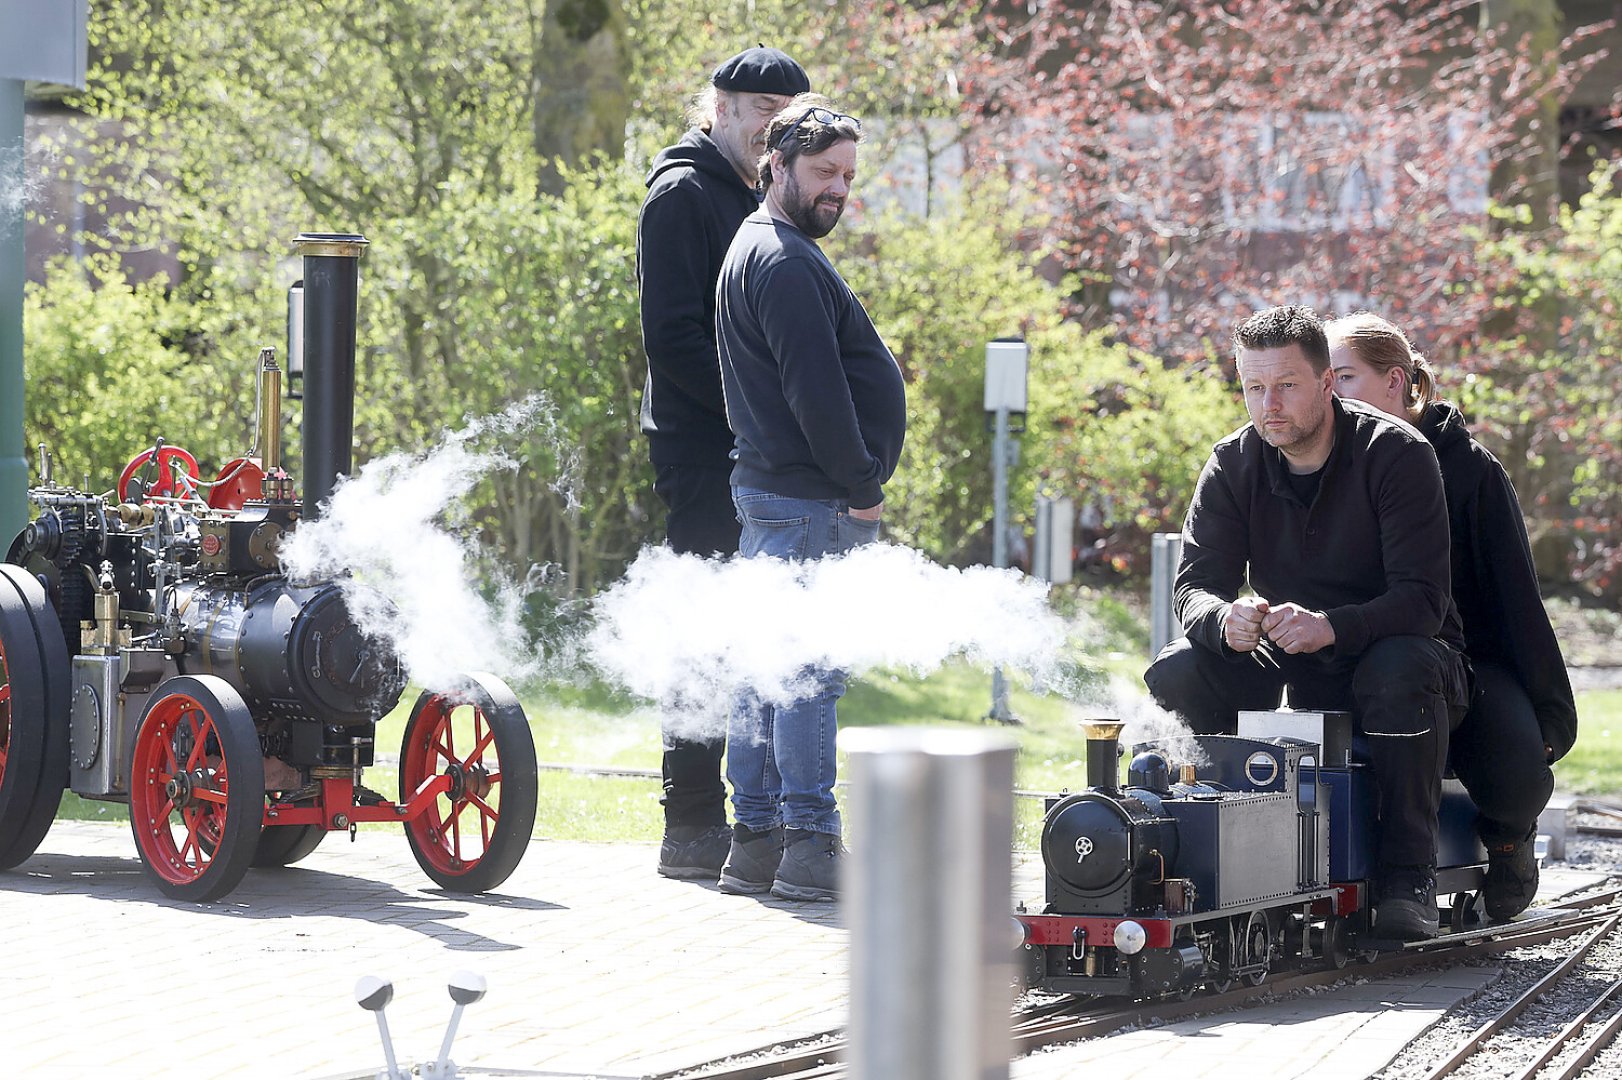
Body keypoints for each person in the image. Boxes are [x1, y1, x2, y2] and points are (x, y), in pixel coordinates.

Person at [1144, 305, 1470, 941]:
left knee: (1396, 667)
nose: (1269, 404)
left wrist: (1332, 627)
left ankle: (1409, 878)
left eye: (1287, 385)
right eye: (1254, 387)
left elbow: (1423, 601)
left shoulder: (1398, 453)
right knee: (1179, 671)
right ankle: (1214, 862)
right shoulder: (1232, 463)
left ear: (1326, 383)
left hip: (1412, 660)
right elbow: (1193, 588)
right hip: (1289, 654)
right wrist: (1224, 619)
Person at [713, 95, 906, 902]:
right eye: (825, 171)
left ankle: (754, 839)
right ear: (777, 164)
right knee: (804, 675)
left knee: (765, 671)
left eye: (850, 176)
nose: (839, 189)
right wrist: (862, 490)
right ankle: (811, 844)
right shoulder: (785, 260)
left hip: (775, 497)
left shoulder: (757, 247)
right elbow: (817, 396)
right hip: (810, 503)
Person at [1327, 311, 1577, 921]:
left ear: (1395, 382)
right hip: (1369, 657)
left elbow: (1515, 595)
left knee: (1519, 773)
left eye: (1345, 377)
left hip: (1471, 663)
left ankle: (1509, 843)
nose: (1333, 395)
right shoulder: (1328, 462)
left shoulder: (1471, 469)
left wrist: (1548, 709)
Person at [636, 46, 811, 880]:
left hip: (752, 447)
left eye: (787, 113)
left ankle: (753, 824)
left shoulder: (756, 198)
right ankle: (692, 824)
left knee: (751, 639)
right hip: (703, 449)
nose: (772, 124)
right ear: (721, 109)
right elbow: (670, 339)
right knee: (703, 634)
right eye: (760, 108)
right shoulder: (680, 195)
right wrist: (755, 415)